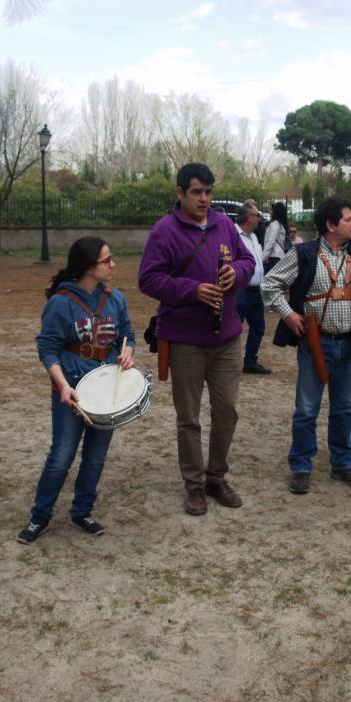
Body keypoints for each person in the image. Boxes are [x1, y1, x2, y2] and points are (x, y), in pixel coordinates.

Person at [138, 163, 255, 515]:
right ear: (180, 194)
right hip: (186, 339)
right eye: (196, 192)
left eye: (208, 191)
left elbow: (249, 262)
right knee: (188, 417)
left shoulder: (224, 225)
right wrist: (192, 291)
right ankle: (194, 485)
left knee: (228, 411)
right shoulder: (164, 231)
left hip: (228, 337)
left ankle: (216, 477)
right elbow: (149, 279)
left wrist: (235, 271)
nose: (204, 199)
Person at [17, 237, 136, 544]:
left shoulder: (115, 298)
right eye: (106, 260)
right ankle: (40, 516)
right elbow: (47, 348)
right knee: (61, 456)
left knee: (95, 457)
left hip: (107, 390)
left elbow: (128, 335)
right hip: (72, 390)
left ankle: (82, 510)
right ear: (88, 268)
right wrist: (63, 385)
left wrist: (128, 352)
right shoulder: (61, 303)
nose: (113, 265)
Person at [262, 197, 351, 494]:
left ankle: (342, 462)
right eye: (348, 219)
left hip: (350, 344)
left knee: (345, 408)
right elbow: (269, 284)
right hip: (316, 343)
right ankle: (301, 466)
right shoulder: (305, 254)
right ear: (330, 225)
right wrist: (289, 315)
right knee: (306, 409)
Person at [235, 204, 271, 375]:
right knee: (234, 328)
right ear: (249, 217)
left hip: (256, 291)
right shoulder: (233, 235)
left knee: (258, 327)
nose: (260, 218)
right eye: (257, 215)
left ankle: (250, 361)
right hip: (240, 289)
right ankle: (229, 362)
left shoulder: (254, 237)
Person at [262, 201, 291, 272]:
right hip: (278, 256)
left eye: (272, 210)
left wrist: (264, 256)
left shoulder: (275, 224)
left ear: (276, 212)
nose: (270, 211)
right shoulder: (281, 225)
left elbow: (271, 241)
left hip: (273, 257)